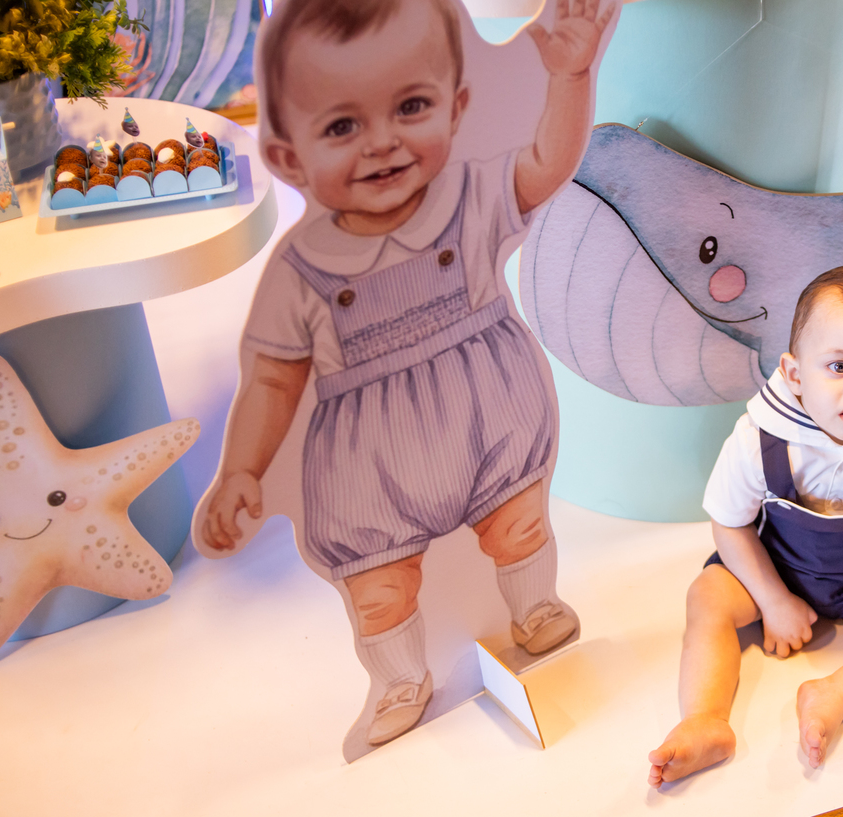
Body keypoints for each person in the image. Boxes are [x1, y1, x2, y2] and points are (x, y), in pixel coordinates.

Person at [201, 0, 613, 748]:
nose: (382, 142)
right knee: (377, 586)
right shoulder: (300, 269)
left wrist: (571, 76)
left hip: (487, 418)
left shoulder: (472, 196)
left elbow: (550, 164)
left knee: (520, 521)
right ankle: (399, 677)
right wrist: (241, 469)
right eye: (341, 126)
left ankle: (533, 606)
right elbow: (272, 379)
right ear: (288, 158)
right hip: (371, 468)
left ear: (456, 107)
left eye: (411, 107)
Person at [649, 264, 843, 785]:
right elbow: (729, 525)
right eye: (839, 366)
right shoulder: (760, 436)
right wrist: (772, 599)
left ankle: (835, 692)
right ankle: (704, 718)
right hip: (774, 570)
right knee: (707, 594)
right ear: (795, 375)